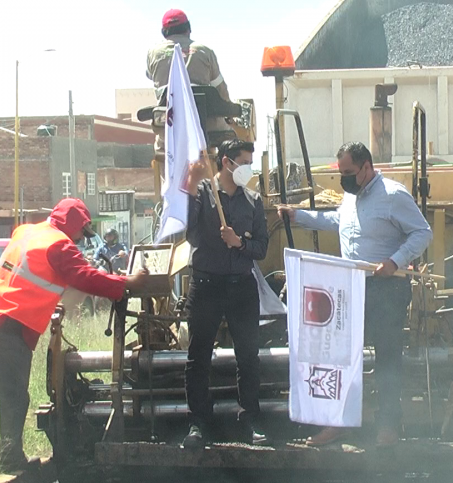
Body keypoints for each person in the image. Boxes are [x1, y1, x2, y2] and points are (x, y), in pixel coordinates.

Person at [0, 198, 149, 471]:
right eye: (81, 231)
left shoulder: (26, 231)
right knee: (13, 394)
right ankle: (10, 458)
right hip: (11, 321)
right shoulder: (60, 245)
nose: (81, 238)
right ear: (74, 226)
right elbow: (85, 277)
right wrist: (128, 282)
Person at [279, 142, 432, 447]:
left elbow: (423, 232)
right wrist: (299, 216)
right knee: (343, 358)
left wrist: (394, 261)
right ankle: (340, 422)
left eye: (349, 172)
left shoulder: (393, 195)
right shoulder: (351, 198)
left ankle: (389, 426)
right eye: (341, 173)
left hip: (387, 288)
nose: (344, 178)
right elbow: (338, 222)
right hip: (351, 289)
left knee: (388, 357)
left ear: (366, 166)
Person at [181, 139, 269, 448]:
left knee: (248, 356)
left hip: (241, 287)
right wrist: (190, 186)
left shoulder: (253, 200)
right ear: (227, 162)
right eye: (244, 162)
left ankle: (250, 420)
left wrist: (239, 243)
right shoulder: (205, 195)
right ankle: (198, 422)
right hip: (206, 286)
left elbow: (261, 247)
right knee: (198, 355)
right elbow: (190, 232)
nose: (248, 168)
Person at [146, 9, 230, 103]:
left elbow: (150, 75)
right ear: (188, 29)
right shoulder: (205, 51)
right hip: (202, 117)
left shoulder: (153, 53)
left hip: (166, 116)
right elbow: (221, 90)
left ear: (164, 32)